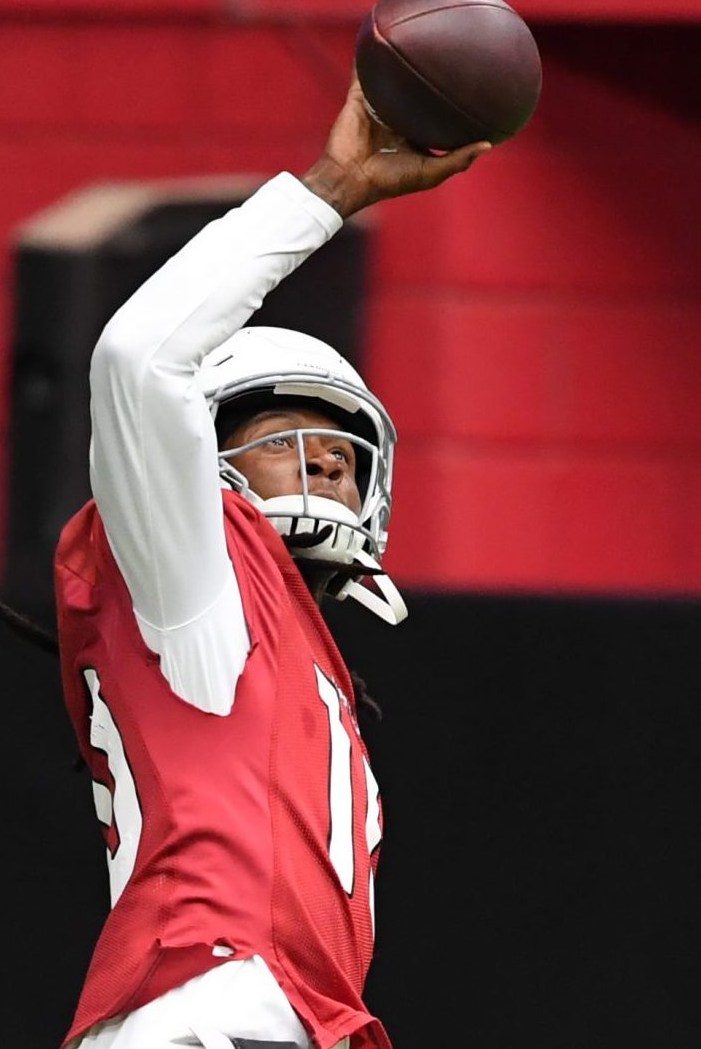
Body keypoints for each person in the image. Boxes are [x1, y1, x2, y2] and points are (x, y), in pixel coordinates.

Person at [51, 79, 491, 1049]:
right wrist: (332, 187)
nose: (326, 458)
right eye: (284, 431)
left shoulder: (304, 659)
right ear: (196, 453)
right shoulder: (199, 576)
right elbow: (138, 359)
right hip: (204, 1018)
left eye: (341, 445)